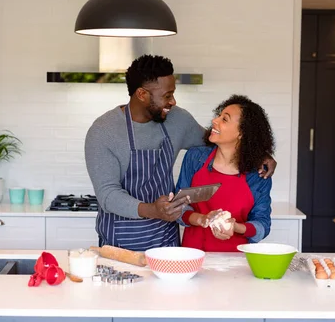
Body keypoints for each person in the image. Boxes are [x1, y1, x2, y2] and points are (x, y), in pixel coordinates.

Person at [84, 54, 277, 251]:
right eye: (167, 96)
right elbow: (108, 196)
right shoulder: (103, 132)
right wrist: (153, 210)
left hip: (166, 237)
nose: (173, 102)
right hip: (122, 240)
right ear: (142, 94)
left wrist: (260, 153)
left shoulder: (177, 120)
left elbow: (218, 141)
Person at [175, 94, 275, 252]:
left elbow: (263, 225)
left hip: (237, 262)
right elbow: (178, 207)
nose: (215, 121)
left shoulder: (257, 175)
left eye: (224, 119)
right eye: (218, 116)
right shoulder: (195, 158)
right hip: (193, 256)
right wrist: (202, 219)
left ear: (242, 133)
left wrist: (235, 227)